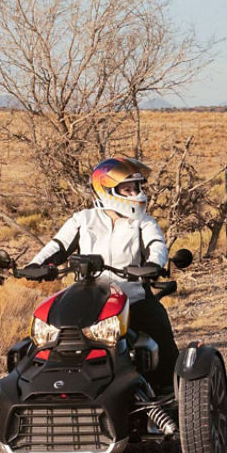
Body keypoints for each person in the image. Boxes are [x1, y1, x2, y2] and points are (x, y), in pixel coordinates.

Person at [25, 156, 178, 393]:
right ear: (106, 191)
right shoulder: (83, 220)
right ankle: (35, 387)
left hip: (133, 300)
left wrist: (152, 265)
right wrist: (36, 265)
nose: (134, 194)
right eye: (127, 189)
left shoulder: (144, 223)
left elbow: (157, 246)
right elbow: (58, 246)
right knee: (41, 338)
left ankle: (171, 394)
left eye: (136, 188)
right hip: (87, 301)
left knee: (159, 331)